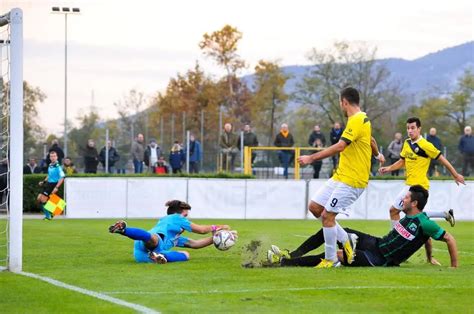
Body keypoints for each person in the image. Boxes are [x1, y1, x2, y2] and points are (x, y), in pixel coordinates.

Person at [267, 185, 458, 268]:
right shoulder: (410, 217)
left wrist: (454, 267)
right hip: (376, 244)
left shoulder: (424, 222)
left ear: (414, 203)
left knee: (337, 255)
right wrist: (429, 257)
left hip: (380, 259)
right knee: (335, 228)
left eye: (406, 198)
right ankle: (293, 254)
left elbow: (448, 238)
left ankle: (284, 263)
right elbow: (424, 238)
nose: (403, 199)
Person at [297, 87, 384, 268]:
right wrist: (377, 156)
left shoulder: (357, 120)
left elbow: (339, 147)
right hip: (341, 176)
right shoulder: (359, 120)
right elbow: (371, 140)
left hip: (353, 179)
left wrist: (311, 158)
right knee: (315, 208)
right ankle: (346, 238)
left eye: (340, 103)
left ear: (344, 102)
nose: (341, 107)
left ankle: (331, 259)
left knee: (328, 216)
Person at [379, 117, 464, 228]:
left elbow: (443, 160)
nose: (410, 130)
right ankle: (444, 214)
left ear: (419, 129)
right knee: (413, 216)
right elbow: (402, 161)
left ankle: (395, 237)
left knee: (394, 211)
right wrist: (388, 168)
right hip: (410, 185)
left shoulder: (426, 145)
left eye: (413, 128)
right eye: (408, 128)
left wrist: (456, 175)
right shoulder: (407, 143)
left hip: (418, 187)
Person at [108, 200, 234, 264]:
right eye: (185, 215)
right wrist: (219, 227)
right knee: (153, 239)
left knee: (186, 254)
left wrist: (216, 239)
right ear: (178, 213)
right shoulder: (175, 218)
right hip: (149, 242)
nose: (187, 219)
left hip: (141, 256)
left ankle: (159, 257)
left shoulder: (175, 237)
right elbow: (201, 230)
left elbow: (195, 244)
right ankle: (123, 230)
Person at [37, 151, 65, 220]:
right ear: (49, 157)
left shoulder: (58, 166)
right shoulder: (50, 165)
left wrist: (56, 187)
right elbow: (49, 175)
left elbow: (62, 177)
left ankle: (48, 216)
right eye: (51, 156)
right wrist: (43, 182)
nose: (53, 158)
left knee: (43, 199)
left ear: (57, 157)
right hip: (48, 184)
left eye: (54, 156)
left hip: (53, 184)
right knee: (39, 198)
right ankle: (53, 212)